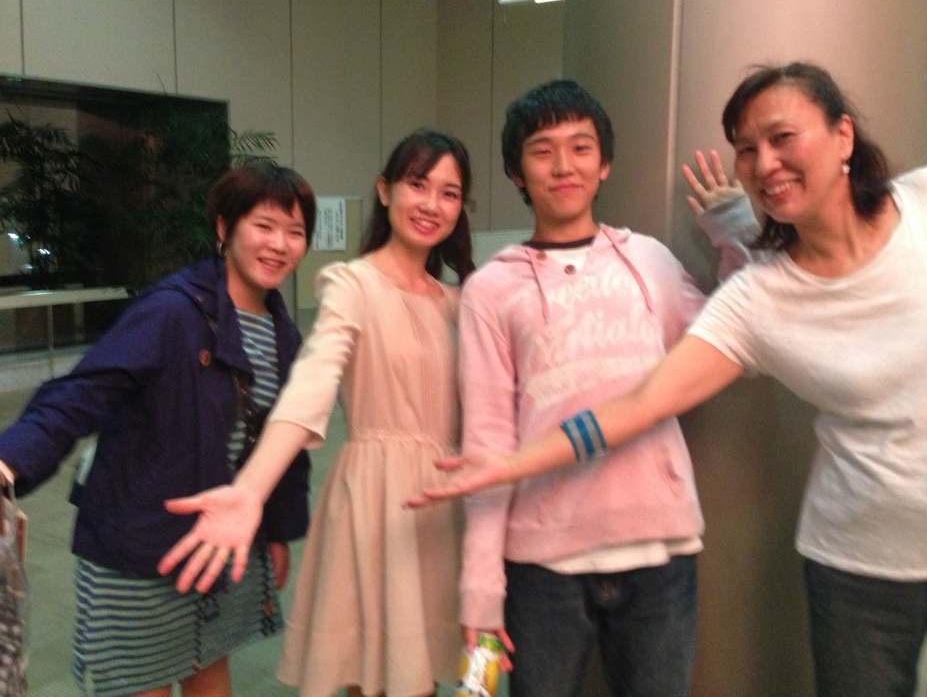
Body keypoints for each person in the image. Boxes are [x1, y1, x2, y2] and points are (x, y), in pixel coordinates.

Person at [410, 63, 927, 697]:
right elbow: (645, 401)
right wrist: (505, 481)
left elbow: (704, 336)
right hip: (852, 561)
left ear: (843, 134)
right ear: (516, 172)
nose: (765, 163)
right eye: (747, 149)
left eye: (782, 138)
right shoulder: (758, 296)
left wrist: (735, 232)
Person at [435, 79, 754, 697]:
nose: (563, 166)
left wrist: (735, 230)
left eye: (581, 147)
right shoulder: (491, 291)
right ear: (517, 172)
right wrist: (481, 593)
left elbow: (740, 341)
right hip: (541, 567)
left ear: (604, 163)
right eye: (542, 150)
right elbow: (488, 446)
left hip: (660, 552)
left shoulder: (652, 262)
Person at [158, 129, 476, 697]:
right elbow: (311, 385)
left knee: (426, 670)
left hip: (444, 506)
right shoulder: (352, 284)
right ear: (385, 190)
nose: (431, 204)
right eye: (417, 184)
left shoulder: (460, 303)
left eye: (448, 193)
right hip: (378, 500)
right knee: (368, 672)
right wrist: (252, 489)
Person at [0, 160, 317, 697]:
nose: (279, 245)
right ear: (224, 227)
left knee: (209, 669)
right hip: (142, 544)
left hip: (218, 539)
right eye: (264, 226)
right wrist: (9, 460)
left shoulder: (282, 333)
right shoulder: (173, 310)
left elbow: (284, 444)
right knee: (141, 683)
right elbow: (81, 393)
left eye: (295, 232)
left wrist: (278, 531)